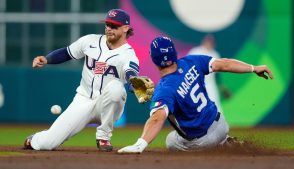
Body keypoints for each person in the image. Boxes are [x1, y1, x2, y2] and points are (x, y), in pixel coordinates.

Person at [118, 36, 273, 153]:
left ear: (154, 59)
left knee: (170, 140)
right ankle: (225, 141)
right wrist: (254, 68)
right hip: (220, 124)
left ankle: (213, 151)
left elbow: (158, 117)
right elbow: (224, 63)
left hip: (202, 140)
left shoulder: (164, 90)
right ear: (174, 52)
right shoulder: (191, 61)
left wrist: (140, 144)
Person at [24, 9, 139, 152]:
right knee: (47, 144)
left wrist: (134, 81)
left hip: (107, 106)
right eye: (107, 24)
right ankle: (36, 139)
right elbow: (67, 52)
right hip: (83, 99)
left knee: (116, 87)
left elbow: (131, 72)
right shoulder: (90, 41)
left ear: (126, 28)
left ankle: (103, 137)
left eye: (114, 26)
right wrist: (47, 59)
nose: (109, 29)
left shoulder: (128, 54)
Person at [188, 34, 230, 113]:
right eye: (208, 41)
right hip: (197, 83)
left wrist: (222, 87)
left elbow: (217, 75)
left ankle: (219, 124)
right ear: (203, 41)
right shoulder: (195, 51)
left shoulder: (215, 54)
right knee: (196, 106)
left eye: (211, 42)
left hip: (210, 84)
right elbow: (187, 66)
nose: (209, 43)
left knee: (216, 106)